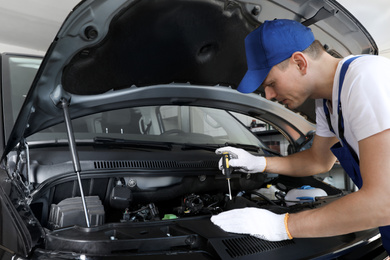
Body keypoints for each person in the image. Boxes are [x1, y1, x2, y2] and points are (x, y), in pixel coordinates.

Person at [210, 19, 390, 254]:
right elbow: (318, 160)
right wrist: (258, 163)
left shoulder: (364, 79)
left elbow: (384, 200)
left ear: (299, 62)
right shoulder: (326, 103)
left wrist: (282, 225)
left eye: (271, 83)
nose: (269, 95)